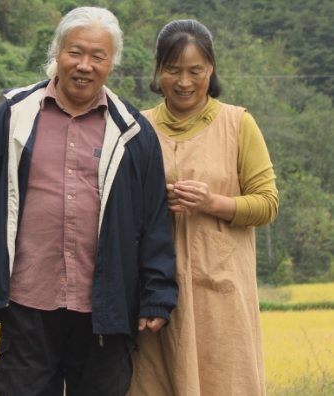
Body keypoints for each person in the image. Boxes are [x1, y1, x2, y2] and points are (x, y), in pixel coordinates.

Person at [0, 7, 178, 396]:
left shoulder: (133, 133)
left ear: (111, 63)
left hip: (105, 309)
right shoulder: (13, 117)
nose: (84, 65)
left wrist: (157, 295)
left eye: (98, 56)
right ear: (57, 53)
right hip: (27, 303)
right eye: (75, 52)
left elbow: (152, 222)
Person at [127, 19, 278, 396]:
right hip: (154, 292)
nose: (184, 82)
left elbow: (267, 203)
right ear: (157, 69)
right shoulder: (136, 128)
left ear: (211, 69)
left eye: (196, 71)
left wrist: (213, 202)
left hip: (221, 289)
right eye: (173, 70)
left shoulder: (237, 123)